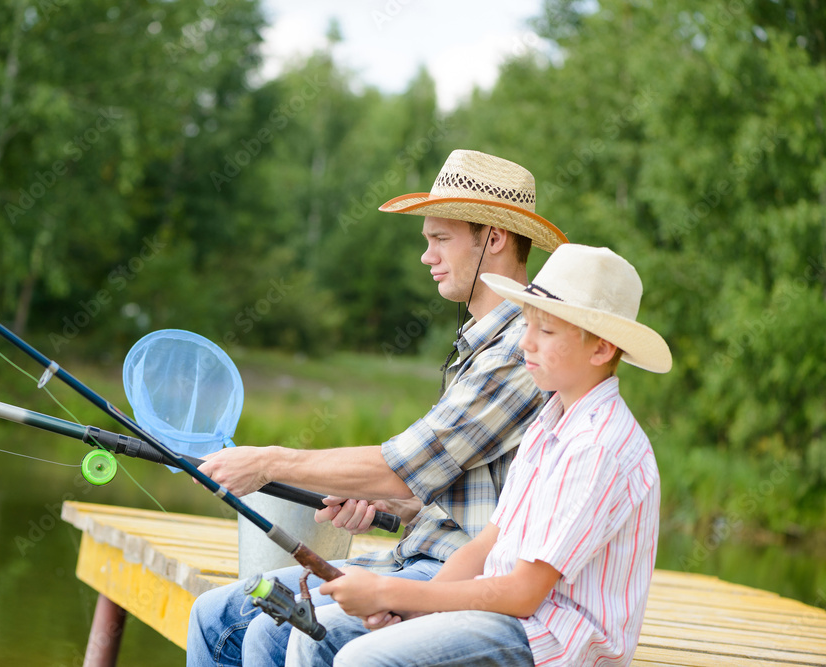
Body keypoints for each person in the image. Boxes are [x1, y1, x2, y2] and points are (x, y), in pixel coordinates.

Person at [186, 150, 570, 667]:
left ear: (494, 240)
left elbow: (404, 464)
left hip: (456, 579)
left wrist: (269, 464)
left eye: (441, 239)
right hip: (414, 556)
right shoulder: (481, 343)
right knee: (213, 615)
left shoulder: (518, 351)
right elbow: (459, 487)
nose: (426, 256)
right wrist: (393, 508)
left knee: (277, 634)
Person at [288, 244, 672, 667]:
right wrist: (412, 610)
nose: (525, 342)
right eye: (526, 324)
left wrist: (389, 593)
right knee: (314, 638)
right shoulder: (550, 422)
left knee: (364, 659)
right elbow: (487, 545)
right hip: (501, 615)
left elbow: (524, 594)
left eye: (545, 332)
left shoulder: (598, 446)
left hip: (550, 640)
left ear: (600, 349)